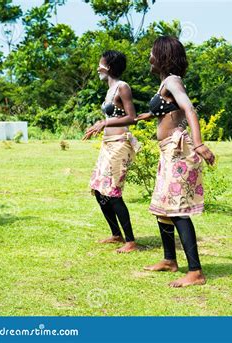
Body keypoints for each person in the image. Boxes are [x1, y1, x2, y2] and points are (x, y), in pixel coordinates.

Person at [135, 36, 215, 287]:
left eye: (152, 53)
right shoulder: (165, 83)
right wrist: (148, 114)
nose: (149, 58)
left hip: (178, 151)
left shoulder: (171, 80)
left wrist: (199, 143)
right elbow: (171, 110)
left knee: (179, 210)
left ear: (162, 56)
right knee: (163, 207)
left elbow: (189, 109)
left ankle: (196, 272)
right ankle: (170, 259)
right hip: (167, 151)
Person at [84, 50, 141, 253]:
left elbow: (132, 117)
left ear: (108, 67)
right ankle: (116, 234)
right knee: (99, 190)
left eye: (101, 64)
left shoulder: (122, 87)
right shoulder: (110, 90)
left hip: (119, 145)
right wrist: (99, 126)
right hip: (107, 145)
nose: (98, 67)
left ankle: (131, 241)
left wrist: (105, 122)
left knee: (113, 192)